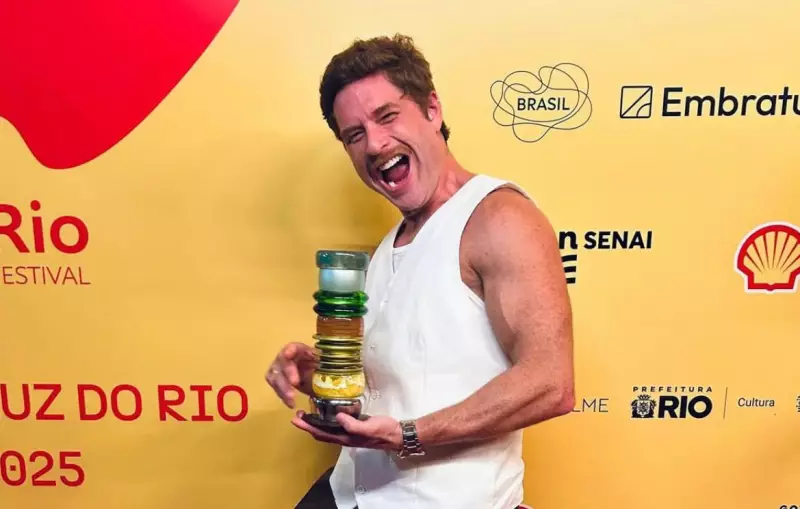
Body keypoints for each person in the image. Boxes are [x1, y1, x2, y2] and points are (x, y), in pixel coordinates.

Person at [265, 33, 575, 509]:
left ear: (432, 109)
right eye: (354, 135)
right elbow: (409, 384)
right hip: (353, 493)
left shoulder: (499, 218)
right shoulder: (391, 244)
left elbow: (550, 383)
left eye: (387, 116)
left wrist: (409, 436)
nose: (375, 143)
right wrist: (324, 379)